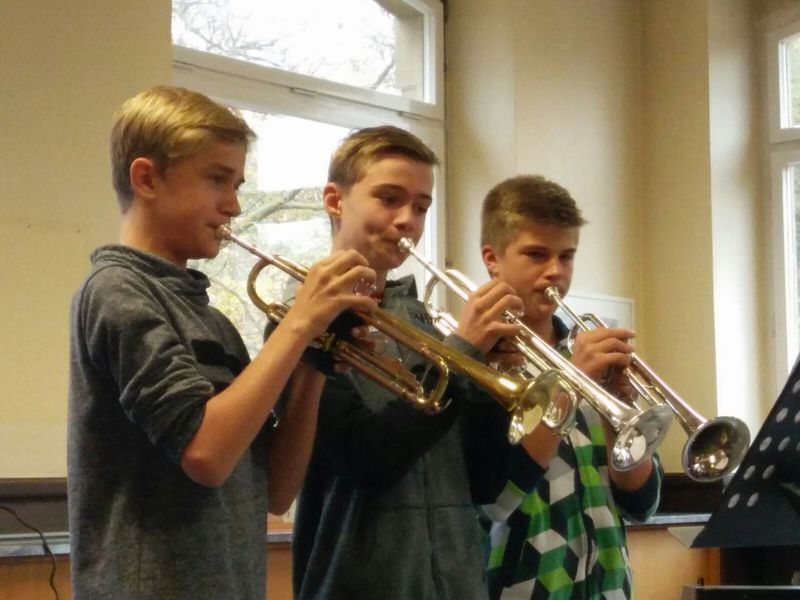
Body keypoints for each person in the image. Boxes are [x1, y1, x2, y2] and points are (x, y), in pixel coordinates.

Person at [67, 85, 379, 600]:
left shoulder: (213, 321)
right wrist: (299, 322)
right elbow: (206, 456)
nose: (233, 206)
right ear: (146, 179)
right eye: (216, 180)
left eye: (236, 184)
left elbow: (276, 489)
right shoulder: (116, 290)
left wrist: (315, 363)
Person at [290, 126, 526, 599]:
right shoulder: (298, 326)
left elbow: (484, 482)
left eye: (421, 207)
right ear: (335, 200)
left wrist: (489, 383)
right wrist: (461, 353)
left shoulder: (429, 327)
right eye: (389, 199)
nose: (408, 221)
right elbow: (368, 460)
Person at [479, 175, 662, 599]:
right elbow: (495, 503)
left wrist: (619, 408)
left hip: (609, 588)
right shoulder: (478, 358)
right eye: (536, 254)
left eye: (567, 256)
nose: (555, 272)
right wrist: (572, 383)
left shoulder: (586, 351)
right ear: (492, 258)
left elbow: (642, 504)